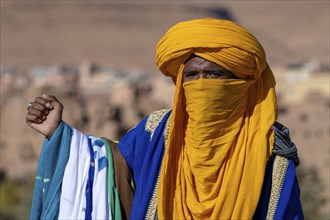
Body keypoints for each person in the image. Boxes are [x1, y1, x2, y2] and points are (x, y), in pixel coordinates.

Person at [26, 18, 304, 219]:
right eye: (192, 75)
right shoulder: (157, 130)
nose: (201, 83)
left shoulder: (270, 147)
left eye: (215, 75)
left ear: (241, 82)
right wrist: (60, 134)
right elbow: (111, 166)